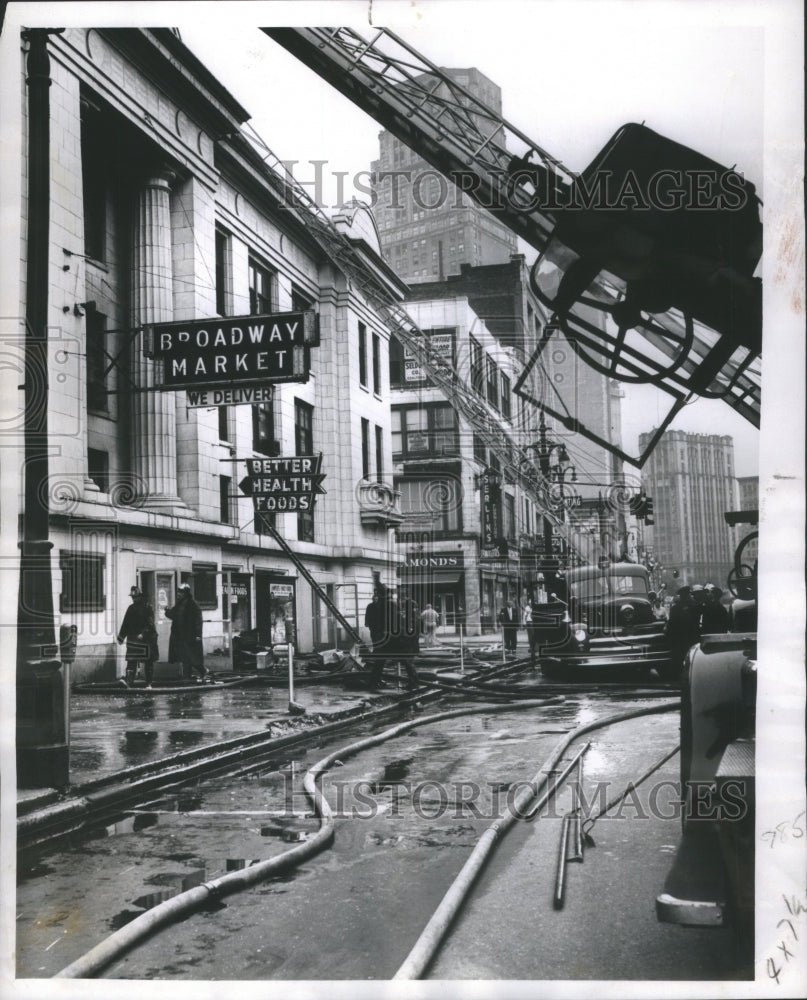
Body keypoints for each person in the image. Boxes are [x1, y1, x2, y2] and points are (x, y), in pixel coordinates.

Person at [165, 583, 208, 683]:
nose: (179, 594)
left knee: (191, 656)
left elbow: (198, 620)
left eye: (181, 592)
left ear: (186, 593)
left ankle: (203, 671)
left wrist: (198, 634)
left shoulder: (193, 604)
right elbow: (174, 615)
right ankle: (186, 677)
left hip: (190, 635)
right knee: (185, 657)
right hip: (180, 635)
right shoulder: (179, 604)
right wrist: (167, 611)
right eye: (178, 592)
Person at [117, 586, 158, 688]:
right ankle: (129, 682)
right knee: (131, 660)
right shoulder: (131, 608)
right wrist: (121, 637)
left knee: (148, 661)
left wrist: (143, 634)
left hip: (147, 639)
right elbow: (125, 624)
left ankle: (149, 683)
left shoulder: (147, 608)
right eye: (132, 597)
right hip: (133, 639)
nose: (134, 599)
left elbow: (151, 625)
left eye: (135, 597)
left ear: (140, 596)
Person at [665, 585, 701, 677]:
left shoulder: (676, 608)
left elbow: (671, 625)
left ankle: (678, 677)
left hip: (679, 639)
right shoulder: (696, 606)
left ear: (681, 596)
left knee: (679, 660)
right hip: (692, 638)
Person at [364, 584, 393, 690]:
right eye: (375, 597)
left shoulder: (384, 606)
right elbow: (367, 616)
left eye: (377, 596)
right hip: (375, 630)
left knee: (381, 658)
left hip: (381, 631)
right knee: (380, 657)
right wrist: (368, 624)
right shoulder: (371, 606)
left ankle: (376, 680)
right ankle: (375, 680)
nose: (376, 598)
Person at [396, 593, 421, 690]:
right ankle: (413, 682)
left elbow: (408, 632)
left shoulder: (411, 619)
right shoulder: (415, 617)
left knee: (409, 663)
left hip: (409, 645)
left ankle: (414, 683)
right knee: (408, 663)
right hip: (411, 644)